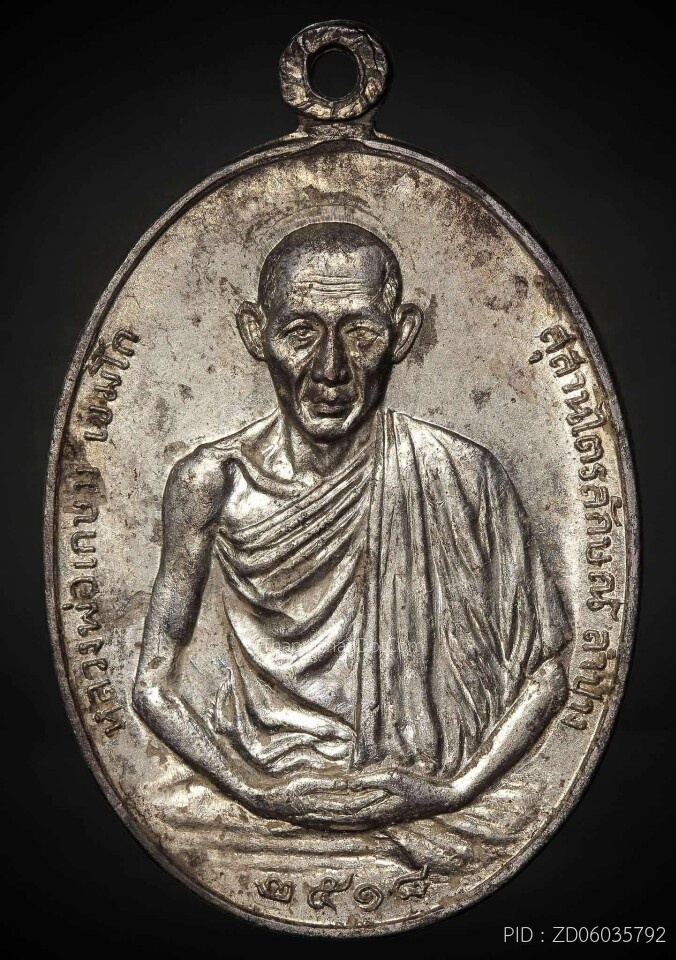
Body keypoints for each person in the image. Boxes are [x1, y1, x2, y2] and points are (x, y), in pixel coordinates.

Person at [133, 221, 570, 832]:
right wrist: (258, 793)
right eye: (300, 332)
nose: (331, 369)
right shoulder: (212, 483)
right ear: (256, 333)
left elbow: (547, 674)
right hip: (266, 799)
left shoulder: (462, 474)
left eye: (360, 333)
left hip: (433, 800)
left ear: (403, 334)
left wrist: (451, 792)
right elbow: (153, 687)